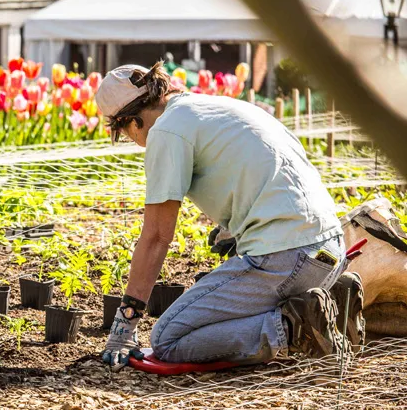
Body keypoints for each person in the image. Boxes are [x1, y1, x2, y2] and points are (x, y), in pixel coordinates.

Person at [96, 62, 363, 369]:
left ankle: (294, 328)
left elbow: (157, 237)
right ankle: (328, 302)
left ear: (130, 121)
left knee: (169, 338)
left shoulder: (166, 130)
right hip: (329, 250)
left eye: (123, 132)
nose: (132, 140)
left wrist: (125, 323)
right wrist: (236, 228)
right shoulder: (218, 106)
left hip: (287, 258)